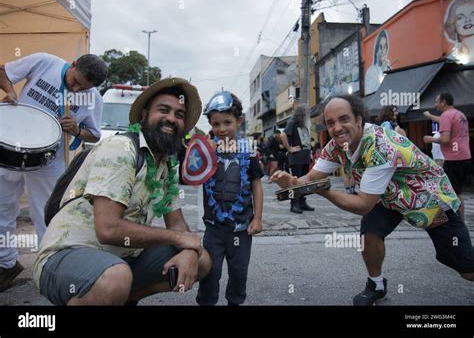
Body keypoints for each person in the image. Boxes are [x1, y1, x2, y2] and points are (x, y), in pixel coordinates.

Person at [271, 94, 474, 306]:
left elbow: (363, 204)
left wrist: (325, 192)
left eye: (344, 119)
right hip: (388, 197)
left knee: (466, 269)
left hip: (430, 202)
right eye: (330, 123)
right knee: (370, 233)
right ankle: (376, 284)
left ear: (359, 119)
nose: (337, 128)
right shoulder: (336, 145)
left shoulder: (379, 146)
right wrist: (291, 182)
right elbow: (311, 179)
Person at [32, 78, 212, 305]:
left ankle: (118, 299)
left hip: (122, 258)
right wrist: (180, 239)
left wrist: (189, 250)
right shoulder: (121, 149)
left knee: (202, 260)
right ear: (144, 115)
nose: (171, 118)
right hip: (66, 255)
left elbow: (176, 223)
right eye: (163, 110)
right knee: (116, 278)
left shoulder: (165, 165)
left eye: (179, 114)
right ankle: (100, 295)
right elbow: (108, 229)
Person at [0, 52, 107, 292]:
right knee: (2, 207)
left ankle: (48, 267)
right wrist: (11, 92)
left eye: (83, 88)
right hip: (12, 146)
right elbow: (3, 72)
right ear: (74, 63)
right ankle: (6, 263)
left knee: (47, 216)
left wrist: (78, 131)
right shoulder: (44, 61)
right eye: (76, 81)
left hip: (49, 159)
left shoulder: (93, 97)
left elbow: (95, 134)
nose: (77, 88)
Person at [196, 91, 263, 306]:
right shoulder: (207, 150)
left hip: (241, 229)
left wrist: (257, 219)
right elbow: (189, 172)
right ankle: (206, 302)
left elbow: (256, 185)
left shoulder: (249, 151)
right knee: (209, 271)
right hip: (214, 228)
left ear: (239, 121)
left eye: (228, 122)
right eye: (216, 124)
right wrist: (203, 151)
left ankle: (235, 302)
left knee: (239, 272)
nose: (222, 129)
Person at [423, 92, 471, 222]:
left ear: (443, 102)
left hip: (454, 159)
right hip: (465, 157)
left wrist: (430, 139)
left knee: (451, 193)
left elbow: (445, 139)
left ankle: (457, 222)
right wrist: (430, 116)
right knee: (457, 191)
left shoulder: (446, 116)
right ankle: (460, 220)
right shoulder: (459, 114)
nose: (435, 104)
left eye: (436, 101)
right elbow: (444, 121)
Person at [281, 106, 314, 214]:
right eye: (306, 113)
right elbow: (283, 135)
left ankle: (302, 202)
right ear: (301, 113)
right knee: (295, 181)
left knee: (304, 182)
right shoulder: (293, 122)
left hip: (304, 157)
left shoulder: (303, 124)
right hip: (296, 158)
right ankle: (294, 204)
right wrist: (290, 149)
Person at [444, 0, 474, 65]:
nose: (468, 20)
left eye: (473, 15)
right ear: (453, 23)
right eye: (460, 17)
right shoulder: (453, 57)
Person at [364, 30, 392, 94]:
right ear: (376, 51)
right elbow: (371, 93)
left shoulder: (389, 68)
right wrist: (382, 70)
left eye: (384, 47)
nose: (382, 51)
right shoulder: (371, 71)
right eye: (380, 47)